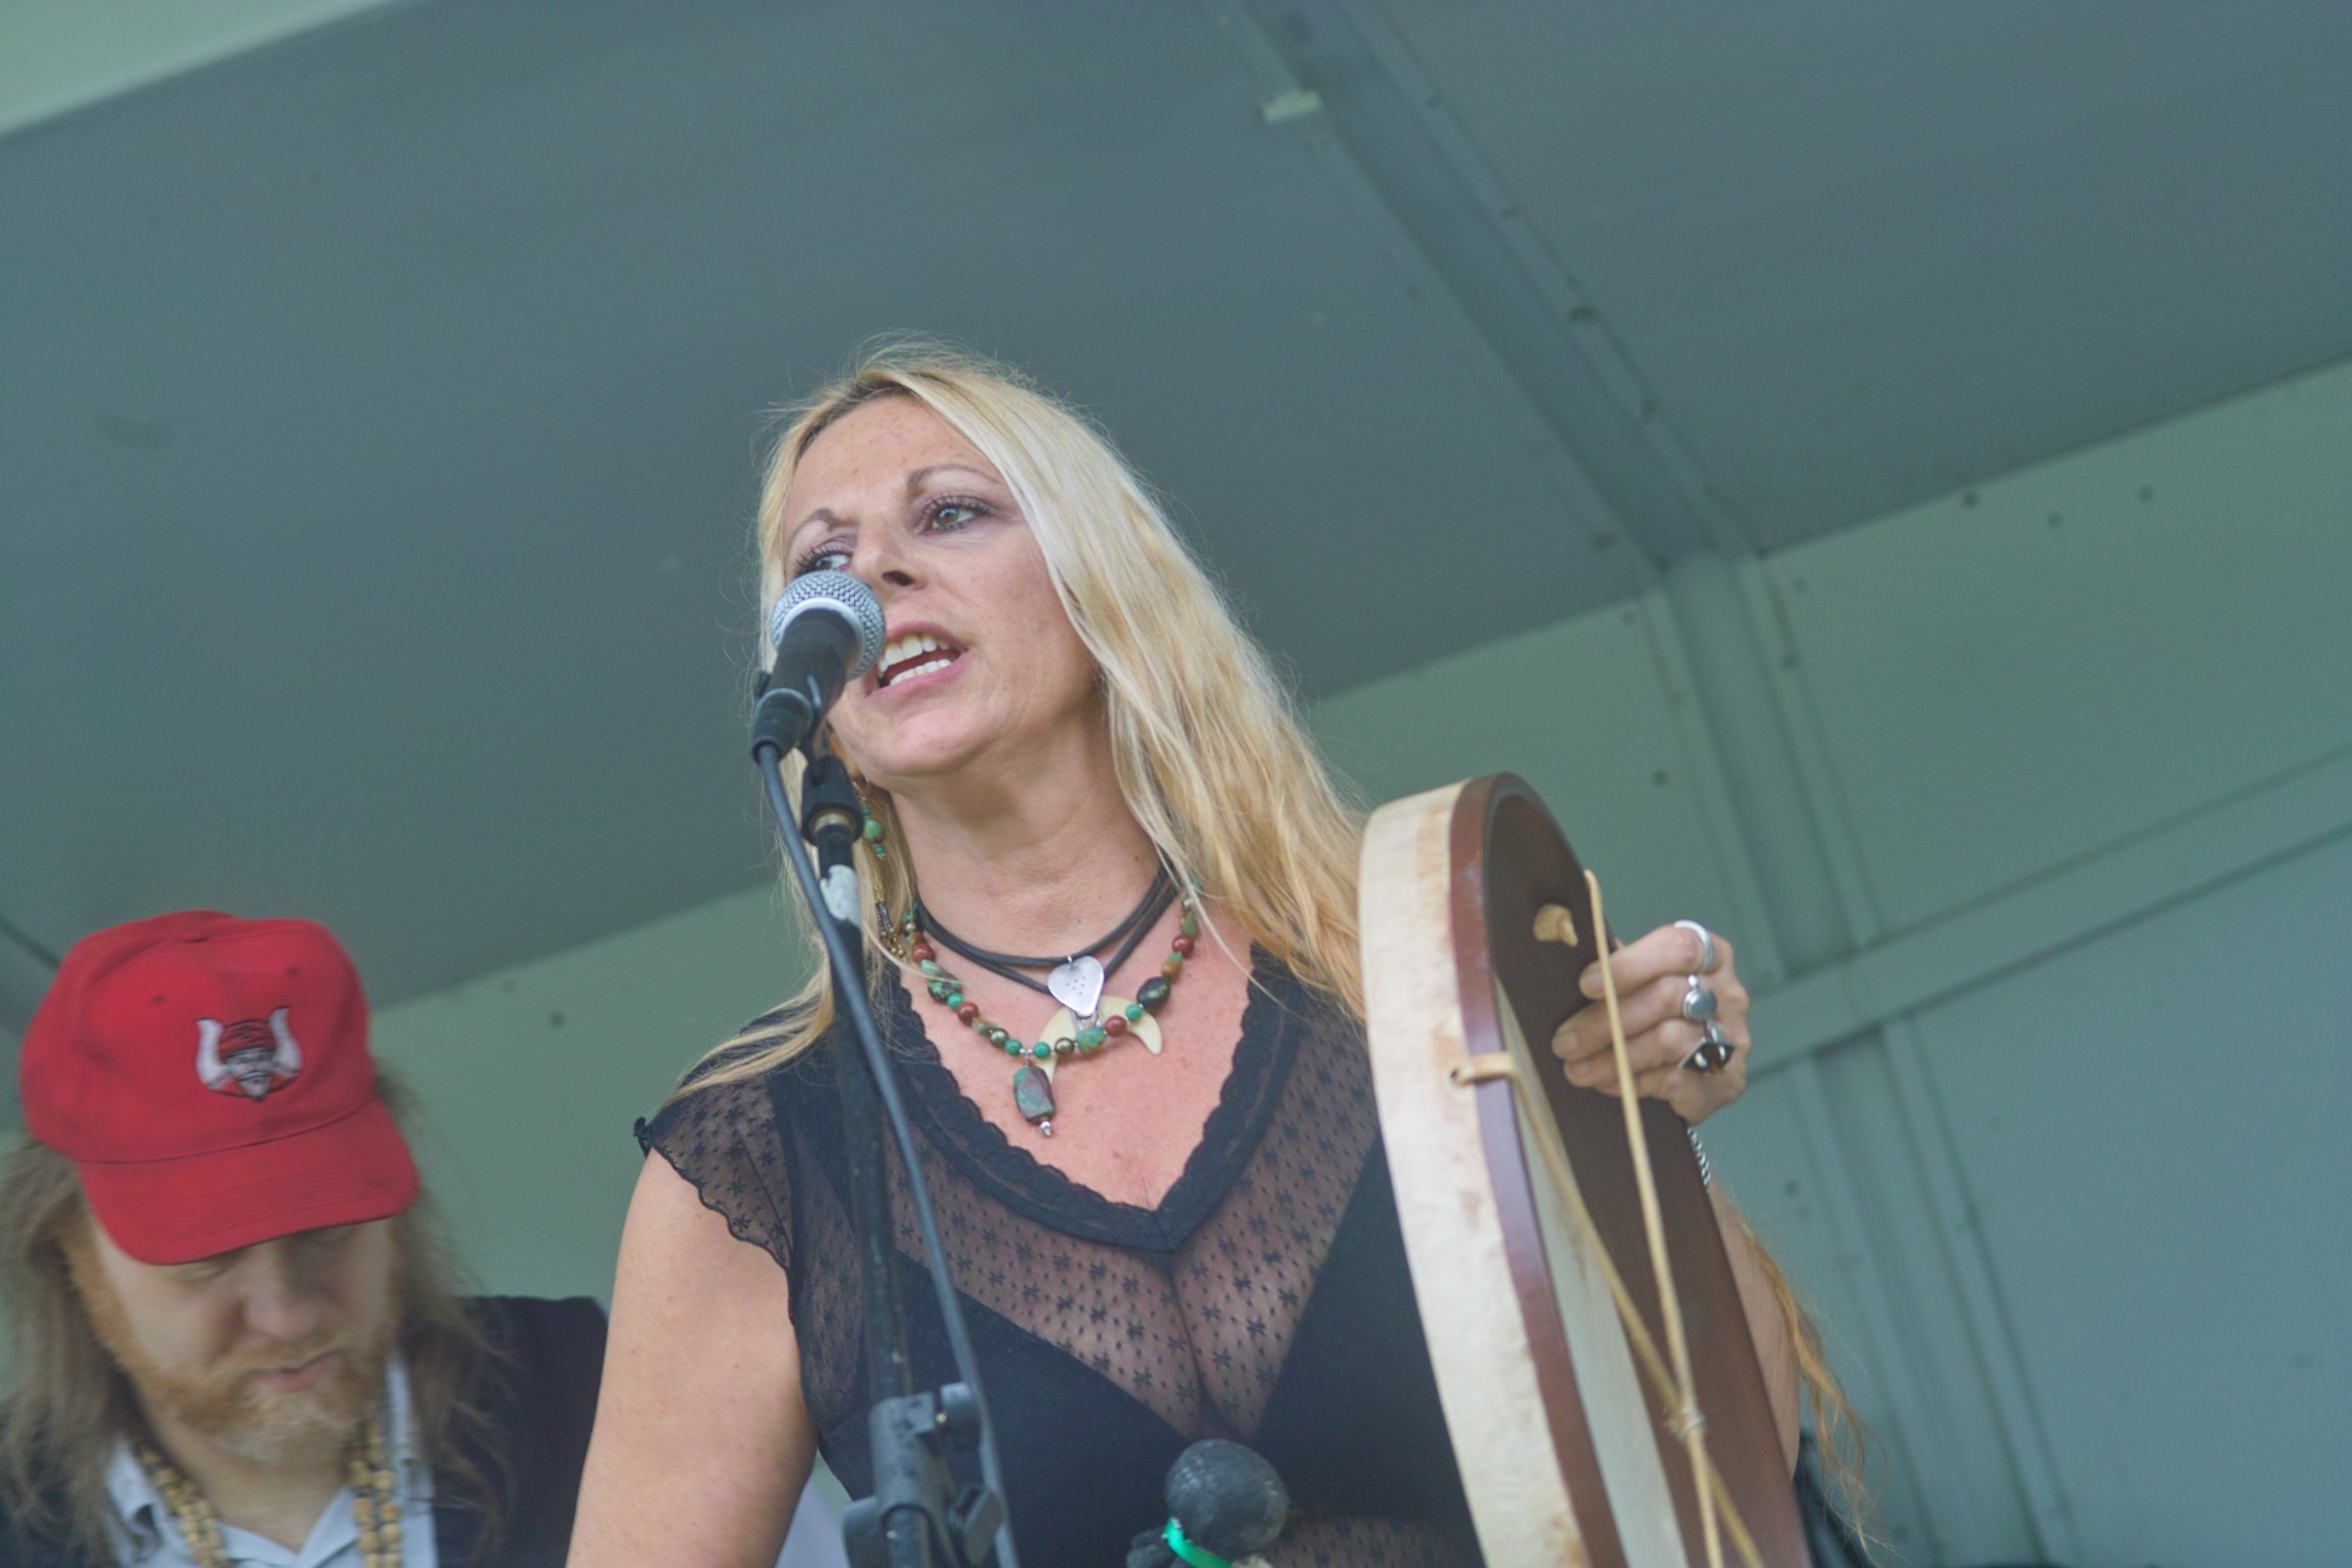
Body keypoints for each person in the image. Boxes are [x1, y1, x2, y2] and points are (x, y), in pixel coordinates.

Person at [572, 346, 1855, 1566]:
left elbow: (1734, 1454)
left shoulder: (1412, 967)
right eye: (822, 560)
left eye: (951, 513)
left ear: (1102, 582)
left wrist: (1651, 1123)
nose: (874, 575)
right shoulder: (763, 1165)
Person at [0, 912, 608, 1568]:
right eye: (208, 1258)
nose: (287, 1315)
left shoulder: (601, 1381)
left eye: (329, 1230)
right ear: (70, 1251)